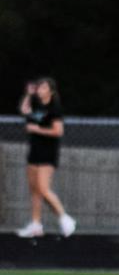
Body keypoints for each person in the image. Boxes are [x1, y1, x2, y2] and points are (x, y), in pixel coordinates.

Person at [16, 78, 75, 238]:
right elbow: (24, 110)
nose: (40, 89)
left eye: (43, 87)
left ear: (51, 91)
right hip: (34, 151)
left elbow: (58, 131)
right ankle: (35, 225)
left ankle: (65, 218)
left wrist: (37, 129)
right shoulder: (37, 106)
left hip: (47, 153)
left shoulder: (55, 109)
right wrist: (28, 95)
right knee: (34, 190)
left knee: (43, 188)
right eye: (39, 87)